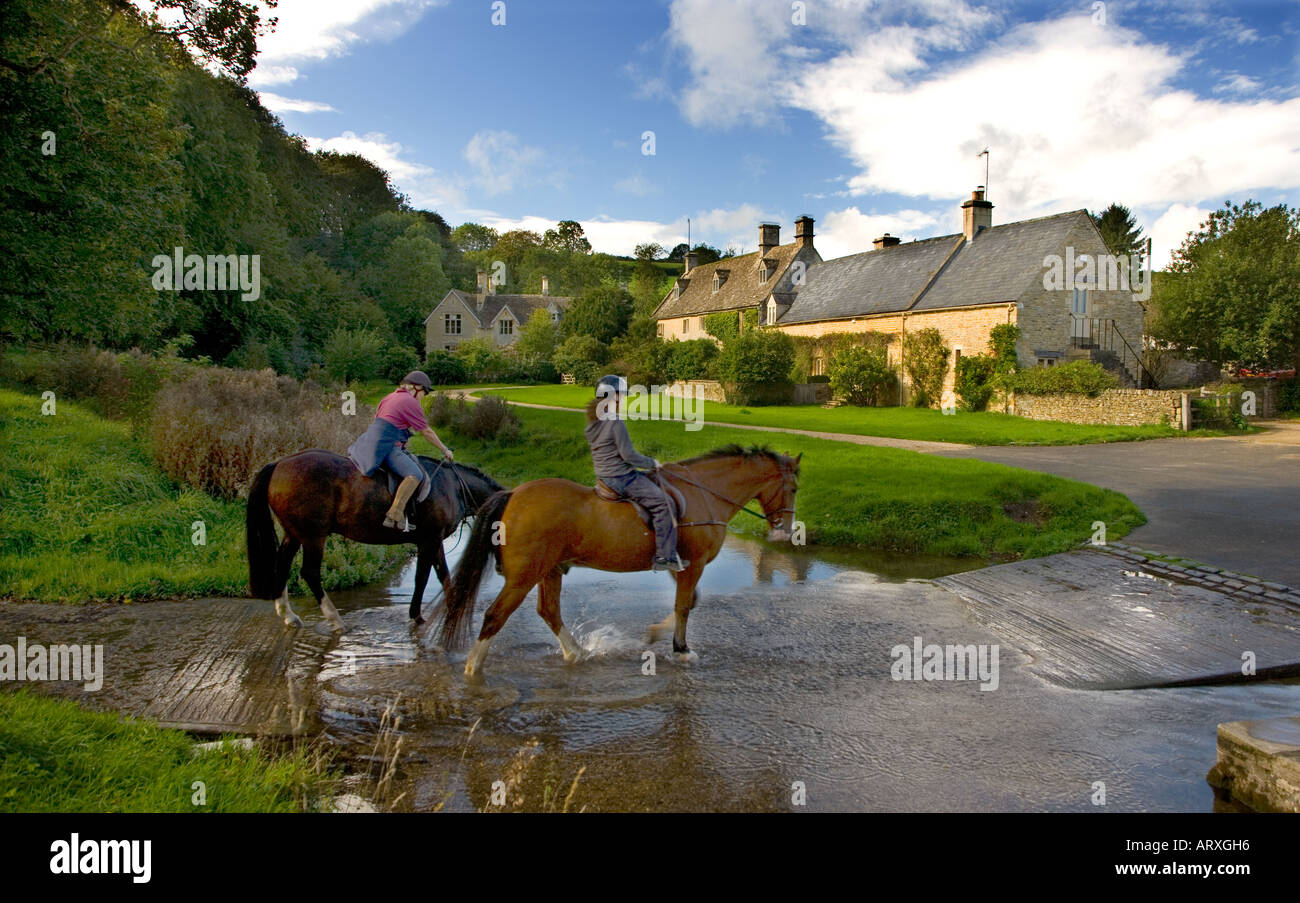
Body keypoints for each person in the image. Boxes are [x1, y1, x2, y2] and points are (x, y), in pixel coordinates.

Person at [584, 374, 688, 572]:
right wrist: (652, 463)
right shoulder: (614, 421)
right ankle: (665, 557)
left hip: (604, 477)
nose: (623, 399)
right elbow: (628, 455)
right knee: (663, 502)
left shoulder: (594, 422)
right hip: (621, 478)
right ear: (613, 397)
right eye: (622, 395)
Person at [347, 371, 453, 532]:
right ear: (416, 388)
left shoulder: (389, 397)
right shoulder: (410, 402)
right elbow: (426, 431)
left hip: (369, 443)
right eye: (424, 392)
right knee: (415, 475)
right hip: (389, 447)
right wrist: (445, 449)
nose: (423, 396)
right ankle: (395, 513)